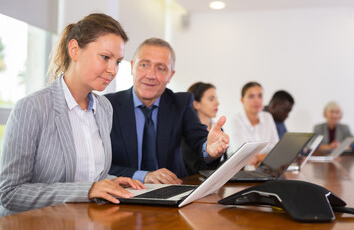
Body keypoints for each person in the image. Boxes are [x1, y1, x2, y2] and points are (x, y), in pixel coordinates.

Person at [0, 13, 145, 216]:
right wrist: (88, 190)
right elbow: (10, 193)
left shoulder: (104, 108)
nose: (113, 70)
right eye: (105, 57)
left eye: (118, 61)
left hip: (84, 220)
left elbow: (82, 175)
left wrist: (108, 182)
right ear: (75, 50)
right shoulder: (32, 108)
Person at [105, 38, 229, 184]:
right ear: (132, 67)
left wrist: (209, 149)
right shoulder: (108, 105)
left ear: (171, 75)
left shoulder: (180, 104)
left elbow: (199, 142)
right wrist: (143, 175)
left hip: (171, 191)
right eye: (144, 65)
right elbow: (100, 167)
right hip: (123, 192)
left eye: (160, 68)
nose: (151, 75)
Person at [226, 82, 279, 164]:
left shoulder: (267, 117)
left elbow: (276, 150)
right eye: (251, 96)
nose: (256, 100)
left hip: (264, 169)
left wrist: (257, 157)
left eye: (260, 96)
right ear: (242, 100)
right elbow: (242, 155)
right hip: (239, 171)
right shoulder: (234, 120)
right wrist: (265, 156)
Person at [182, 82, 221, 175]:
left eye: (216, 98)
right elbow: (198, 168)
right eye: (211, 99)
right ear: (196, 104)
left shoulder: (219, 130)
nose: (217, 103)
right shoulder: (186, 133)